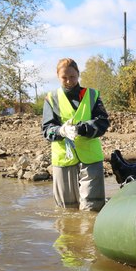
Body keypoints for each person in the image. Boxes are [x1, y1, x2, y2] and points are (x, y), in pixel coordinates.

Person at [41, 58, 109, 211]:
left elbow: (103, 122)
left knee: (93, 208)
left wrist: (81, 128)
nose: (68, 81)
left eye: (72, 77)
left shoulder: (92, 95)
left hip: (90, 157)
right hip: (64, 157)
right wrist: (60, 131)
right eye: (64, 77)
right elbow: (46, 130)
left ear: (78, 75)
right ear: (58, 77)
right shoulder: (51, 99)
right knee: (67, 210)